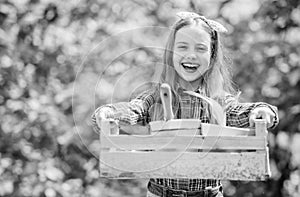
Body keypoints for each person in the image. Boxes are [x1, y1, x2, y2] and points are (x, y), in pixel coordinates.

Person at [92, 12, 279, 197]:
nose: (191, 55)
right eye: (182, 47)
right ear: (171, 53)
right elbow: (134, 109)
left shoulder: (217, 101)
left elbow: (240, 112)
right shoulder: (156, 97)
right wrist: (110, 112)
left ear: (212, 56)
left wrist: (261, 110)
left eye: (200, 48)